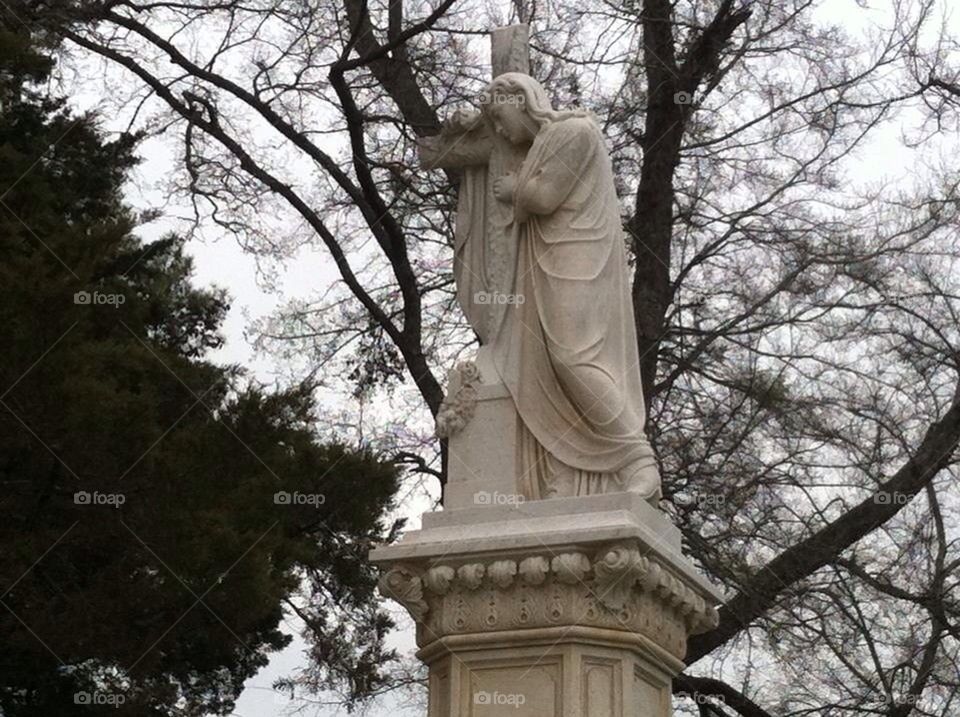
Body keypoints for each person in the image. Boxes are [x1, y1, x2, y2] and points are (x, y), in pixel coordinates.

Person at [479, 72, 662, 502]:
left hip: (577, 258)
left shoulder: (574, 132)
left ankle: (637, 458)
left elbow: (544, 198)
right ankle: (571, 469)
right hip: (551, 258)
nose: (500, 131)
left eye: (500, 117)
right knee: (549, 360)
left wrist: (513, 188)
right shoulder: (544, 142)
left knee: (573, 357)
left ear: (522, 100)